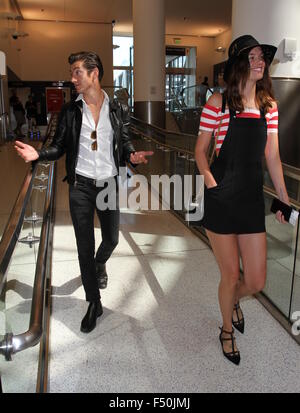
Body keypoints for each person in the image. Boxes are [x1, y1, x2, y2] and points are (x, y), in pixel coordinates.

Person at [15, 51, 153, 334]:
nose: (72, 77)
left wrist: (132, 156)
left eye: (77, 71)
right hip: (80, 186)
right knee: (83, 246)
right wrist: (38, 154)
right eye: (72, 72)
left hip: (109, 183)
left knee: (112, 238)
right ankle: (94, 301)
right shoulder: (69, 111)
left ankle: (99, 265)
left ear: (94, 74)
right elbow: (59, 146)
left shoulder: (116, 109)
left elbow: (124, 140)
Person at [195, 35, 289, 365]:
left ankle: (232, 299)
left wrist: (283, 198)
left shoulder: (269, 108)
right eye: (251, 57)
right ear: (238, 65)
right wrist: (210, 181)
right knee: (230, 275)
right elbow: (200, 151)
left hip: (250, 200)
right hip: (221, 198)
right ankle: (226, 330)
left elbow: (273, 157)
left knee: (256, 279)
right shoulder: (218, 103)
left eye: (261, 56)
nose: (259, 61)